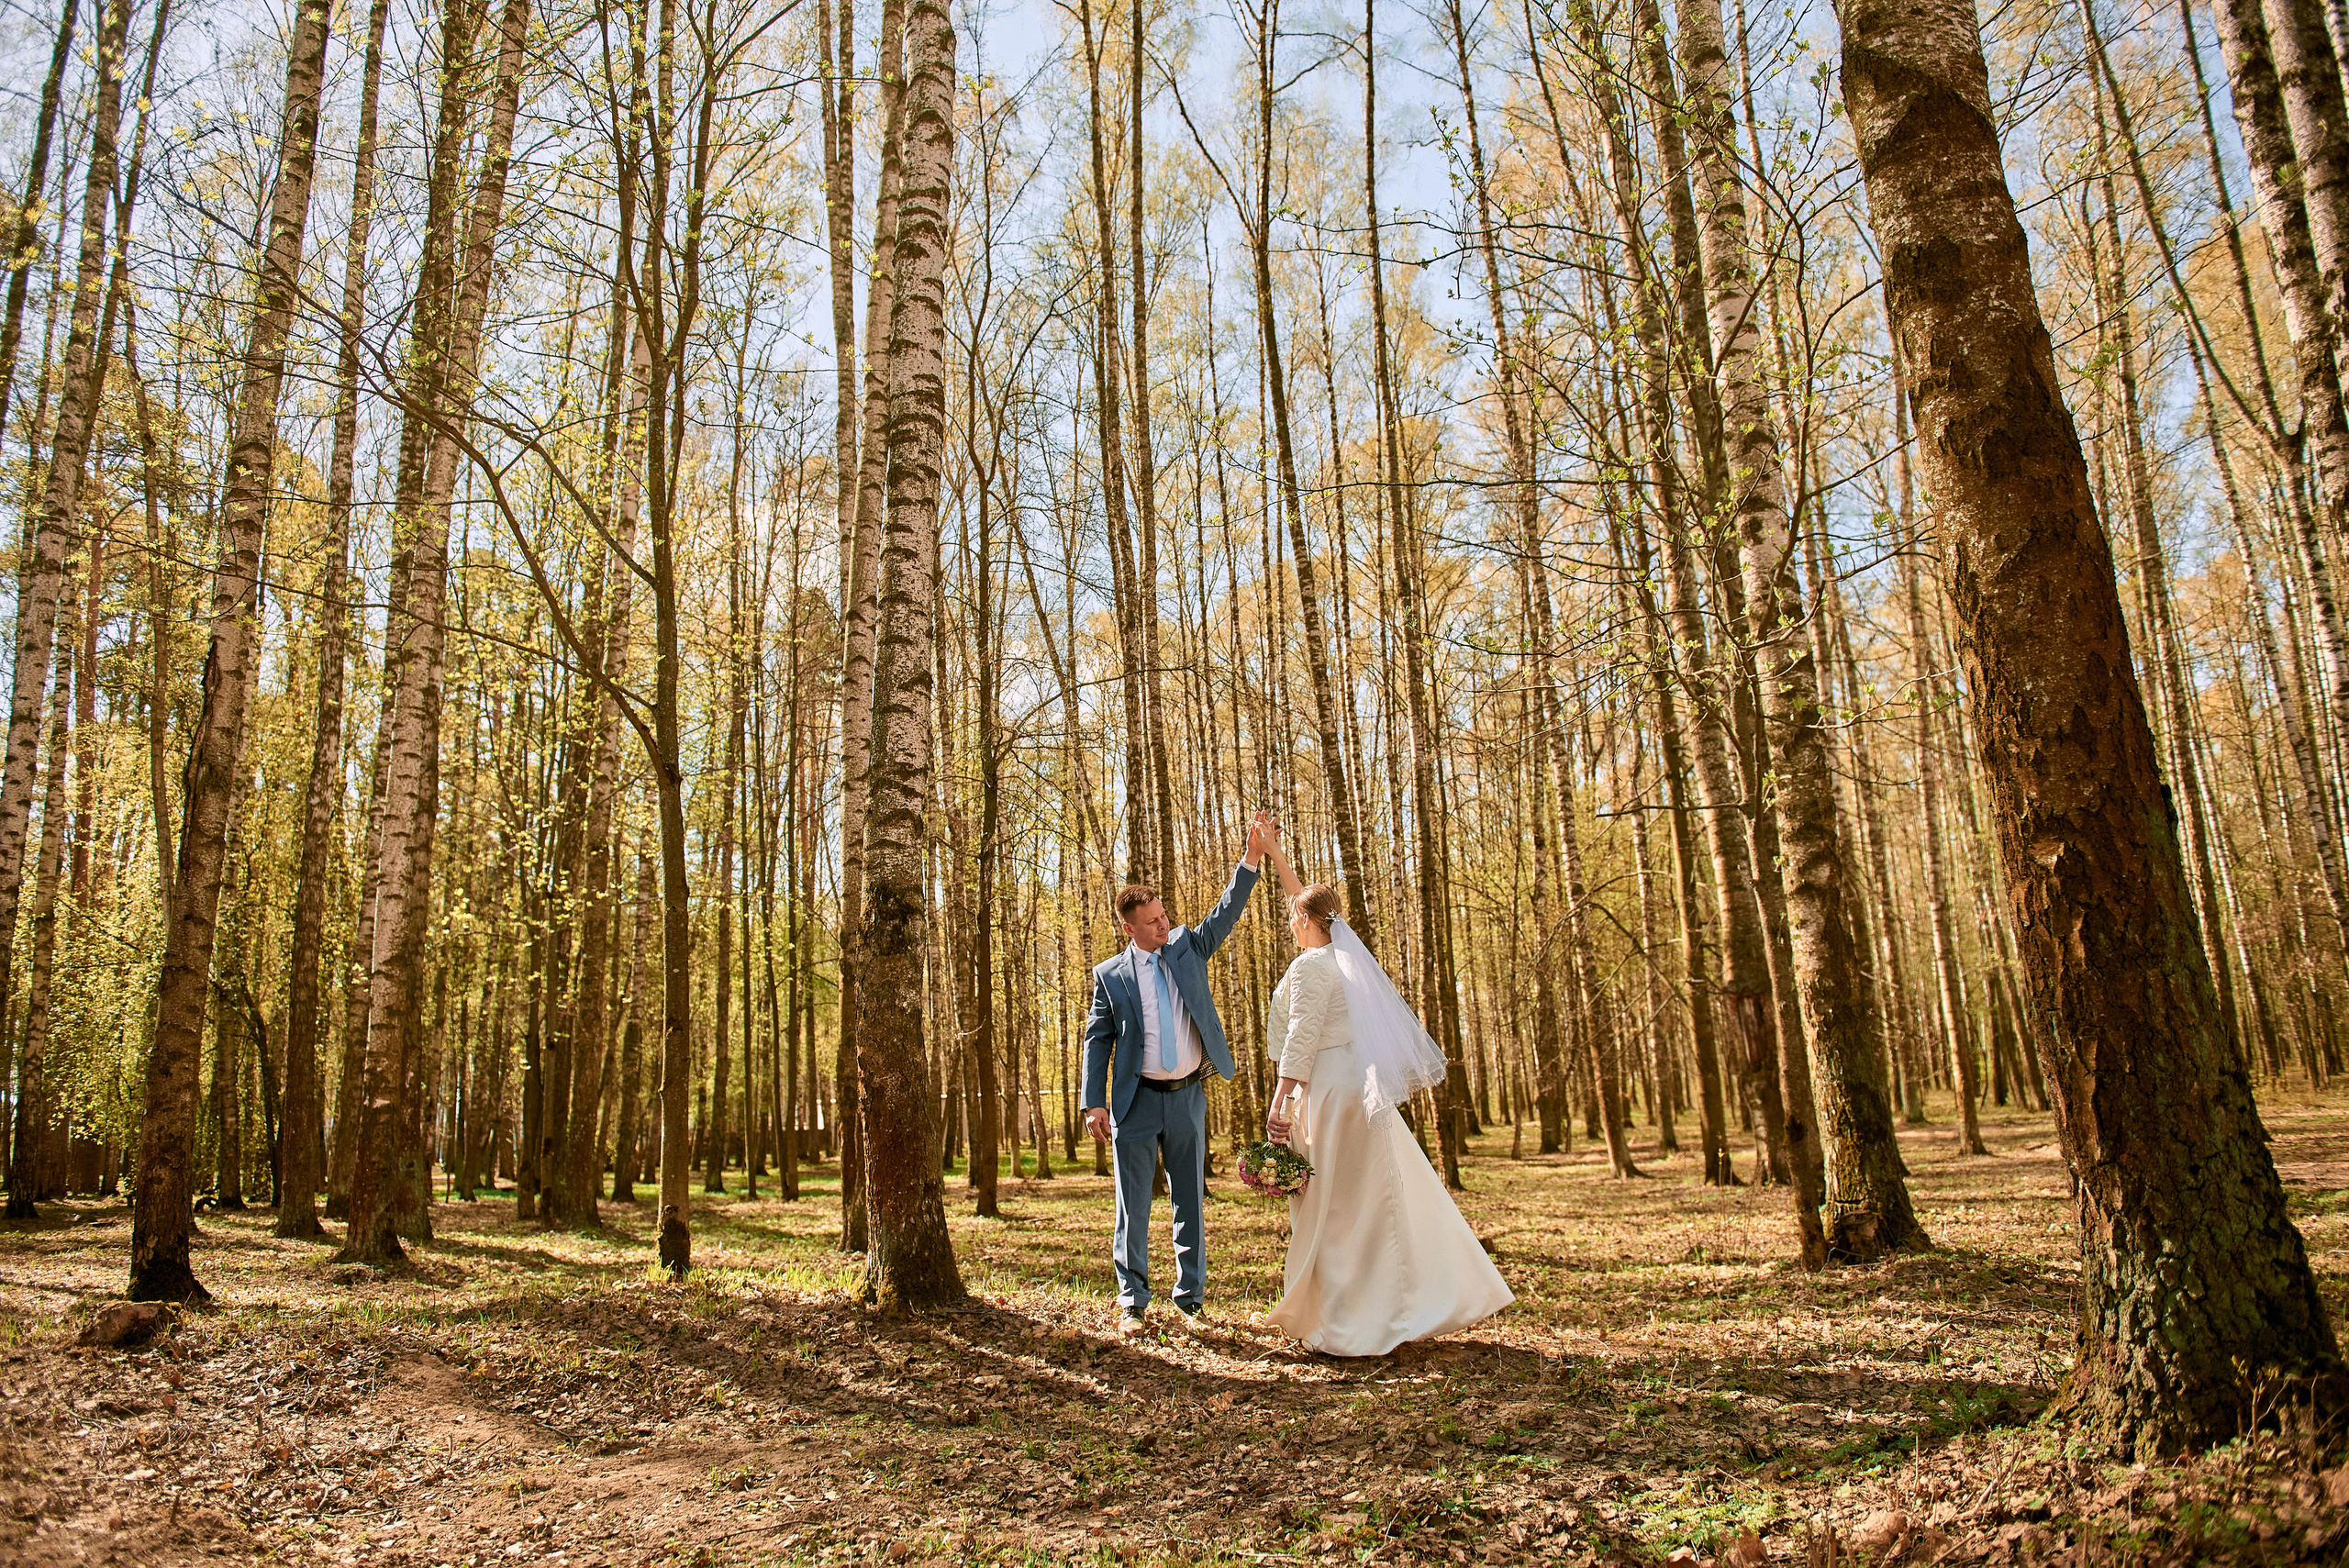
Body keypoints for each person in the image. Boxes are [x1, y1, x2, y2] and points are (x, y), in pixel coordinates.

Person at [1261, 869, 1513, 1356]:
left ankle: (1344, 1320)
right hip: (1359, 1088)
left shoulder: (1312, 966)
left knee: (1333, 1206)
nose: (1291, 926)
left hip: (1328, 1093)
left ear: (1308, 921)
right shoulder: (1347, 962)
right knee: (1369, 1202)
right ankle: (1385, 1308)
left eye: (1294, 918)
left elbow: (1301, 1037)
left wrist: (1281, 1101)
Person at [1081, 810, 1279, 1332]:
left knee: (1189, 1199)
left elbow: (1225, 913)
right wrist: (1094, 1102)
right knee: (1133, 1206)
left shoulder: (1188, 947)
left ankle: (1190, 1298)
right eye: (1152, 922)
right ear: (1129, 928)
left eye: (1165, 916)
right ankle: (1132, 1300)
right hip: (1136, 1103)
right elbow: (1097, 1040)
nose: (1164, 925)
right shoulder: (1110, 976)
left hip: (1189, 1097)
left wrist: (1251, 857)